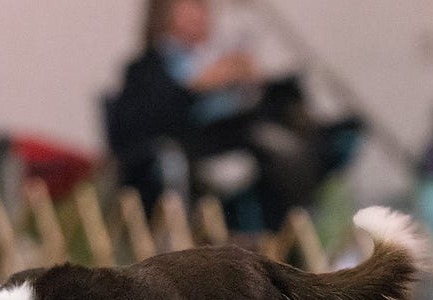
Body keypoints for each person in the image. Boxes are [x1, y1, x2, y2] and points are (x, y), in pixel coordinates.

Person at [106, 0, 360, 231]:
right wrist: (198, 86)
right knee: (276, 153)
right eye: (191, 6)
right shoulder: (145, 69)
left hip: (245, 144)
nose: (202, 14)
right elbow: (141, 125)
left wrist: (254, 84)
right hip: (193, 155)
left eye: (204, 7)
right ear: (164, 14)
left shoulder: (218, 57)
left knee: (294, 138)